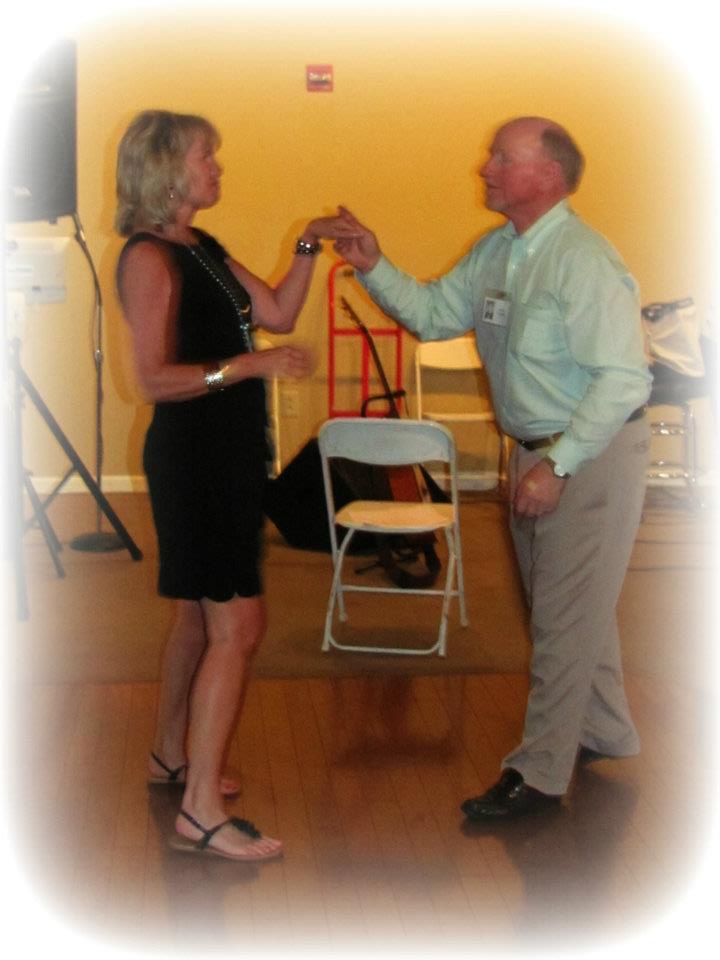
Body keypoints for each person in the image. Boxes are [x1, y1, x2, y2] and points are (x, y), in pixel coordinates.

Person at [331, 116, 652, 819]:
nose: (485, 167)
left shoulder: (582, 259)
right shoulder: (499, 250)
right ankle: (602, 728)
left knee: (562, 621)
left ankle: (538, 775)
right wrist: (372, 264)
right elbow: (434, 314)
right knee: (568, 609)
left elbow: (626, 378)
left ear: (549, 176)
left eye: (503, 158)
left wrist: (557, 467)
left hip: (588, 457)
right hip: (538, 452)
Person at [115, 109, 355, 859]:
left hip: (227, 453)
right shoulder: (149, 258)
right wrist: (249, 366)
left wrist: (310, 243)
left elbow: (277, 310)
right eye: (204, 156)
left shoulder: (202, 246)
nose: (217, 167)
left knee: (199, 620)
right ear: (165, 169)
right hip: (196, 461)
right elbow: (152, 379)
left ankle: (171, 757)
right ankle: (199, 812)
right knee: (240, 627)